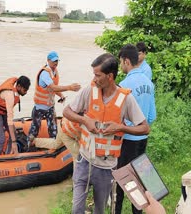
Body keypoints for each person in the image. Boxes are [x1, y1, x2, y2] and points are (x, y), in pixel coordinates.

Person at [62, 53, 150, 214]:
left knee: (100, 210)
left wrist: (120, 127)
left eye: (97, 75)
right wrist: (85, 121)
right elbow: (67, 111)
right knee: (76, 209)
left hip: (106, 167)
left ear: (110, 76)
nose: (94, 79)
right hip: (84, 161)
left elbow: (144, 128)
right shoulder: (89, 91)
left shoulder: (126, 99)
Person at [115, 44, 156, 214]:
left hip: (127, 140)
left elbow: (117, 117)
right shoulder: (149, 82)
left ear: (126, 61)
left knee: (121, 179)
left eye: (120, 63)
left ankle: (115, 211)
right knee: (139, 177)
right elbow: (152, 116)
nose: (121, 66)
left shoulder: (123, 85)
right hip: (142, 139)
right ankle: (137, 211)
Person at [28, 51, 81, 145]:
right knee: (34, 129)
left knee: (53, 129)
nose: (55, 63)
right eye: (53, 61)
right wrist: (69, 87)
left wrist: (61, 95)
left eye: (57, 61)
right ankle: (29, 146)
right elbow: (53, 87)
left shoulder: (54, 72)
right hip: (39, 107)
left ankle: (54, 149)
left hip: (50, 107)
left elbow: (52, 89)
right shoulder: (44, 73)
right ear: (48, 60)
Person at [0, 76, 30, 155]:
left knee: (13, 133)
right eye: (24, 90)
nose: (26, 92)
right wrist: (14, 142)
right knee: (2, 138)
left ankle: (8, 155)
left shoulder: (16, 81)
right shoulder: (10, 96)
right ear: (18, 86)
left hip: (4, 111)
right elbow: (10, 120)